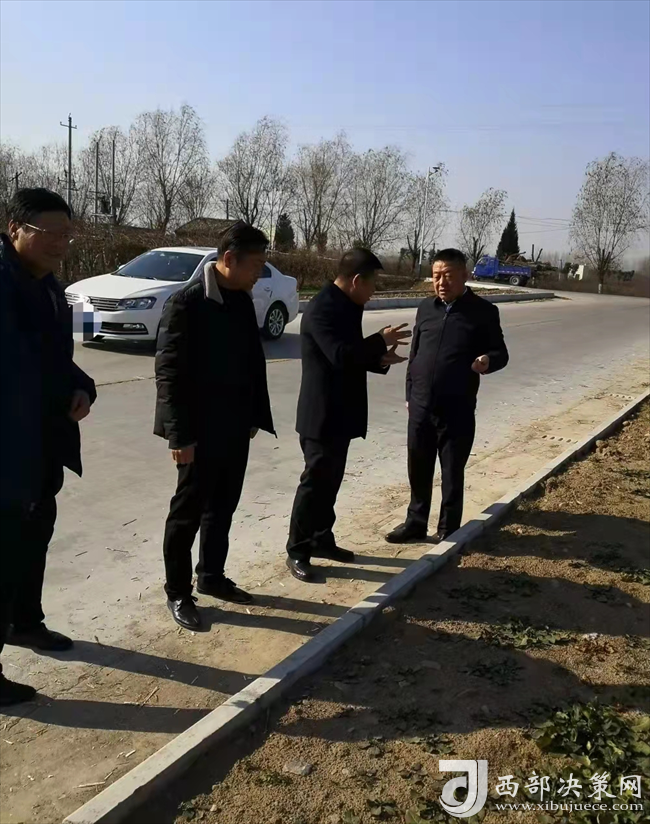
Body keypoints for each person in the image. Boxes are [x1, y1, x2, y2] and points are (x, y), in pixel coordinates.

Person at [0, 188, 96, 706]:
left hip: (40, 447)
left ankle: (25, 622)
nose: (60, 243)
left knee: (32, 540)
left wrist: (81, 387)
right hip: (6, 449)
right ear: (15, 228)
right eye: (49, 233)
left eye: (66, 234)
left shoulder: (52, 289)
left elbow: (57, 361)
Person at [155, 221, 274, 630]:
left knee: (222, 507)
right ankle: (177, 591)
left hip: (234, 428)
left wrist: (253, 415)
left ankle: (211, 575)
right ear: (229, 259)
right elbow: (169, 374)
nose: (259, 273)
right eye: (255, 265)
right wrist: (179, 435)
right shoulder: (186, 303)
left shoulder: (241, 299)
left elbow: (250, 363)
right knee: (186, 513)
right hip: (198, 431)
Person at [286, 248, 411, 582]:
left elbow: (350, 356)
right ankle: (297, 549)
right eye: (372, 284)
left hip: (341, 412)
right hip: (321, 414)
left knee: (330, 482)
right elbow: (339, 355)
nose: (374, 292)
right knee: (314, 484)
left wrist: (378, 359)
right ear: (356, 281)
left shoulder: (346, 305)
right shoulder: (323, 309)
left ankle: (321, 539)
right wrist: (378, 341)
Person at [386, 248, 508, 546]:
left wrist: (487, 361)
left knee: (452, 470)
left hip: (457, 407)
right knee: (418, 467)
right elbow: (415, 354)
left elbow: (500, 353)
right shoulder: (426, 308)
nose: (441, 283)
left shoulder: (483, 311)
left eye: (448, 276)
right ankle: (415, 524)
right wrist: (409, 394)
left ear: (464, 275)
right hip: (421, 405)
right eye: (436, 276)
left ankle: (448, 529)